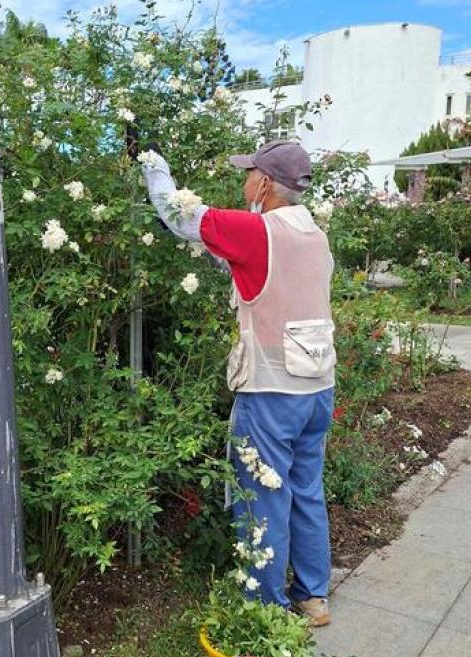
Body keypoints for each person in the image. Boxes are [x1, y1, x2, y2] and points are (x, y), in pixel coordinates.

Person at [140, 139, 336, 626]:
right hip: (317, 389)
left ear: (265, 184)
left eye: (249, 174)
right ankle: (313, 596)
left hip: (272, 392)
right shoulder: (312, 233)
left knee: (263, 497)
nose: (244, 182)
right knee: (306, 489)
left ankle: (266, 609)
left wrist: (153, 164)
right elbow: (255, 269)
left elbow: (177, 214)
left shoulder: (255, 230)